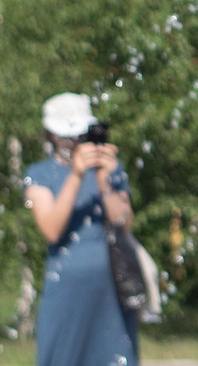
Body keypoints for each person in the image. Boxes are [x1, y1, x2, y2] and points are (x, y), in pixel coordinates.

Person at [21, 94, 137, 366]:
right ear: (50, 136)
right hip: (67, 287)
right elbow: (51, 229)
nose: (73, 142)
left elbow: (123, 225)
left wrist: (105, 181)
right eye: (66, 136)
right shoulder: (40, 173)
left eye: (79, 135)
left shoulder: (108, 170)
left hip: (110, 286)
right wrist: (76, 175)